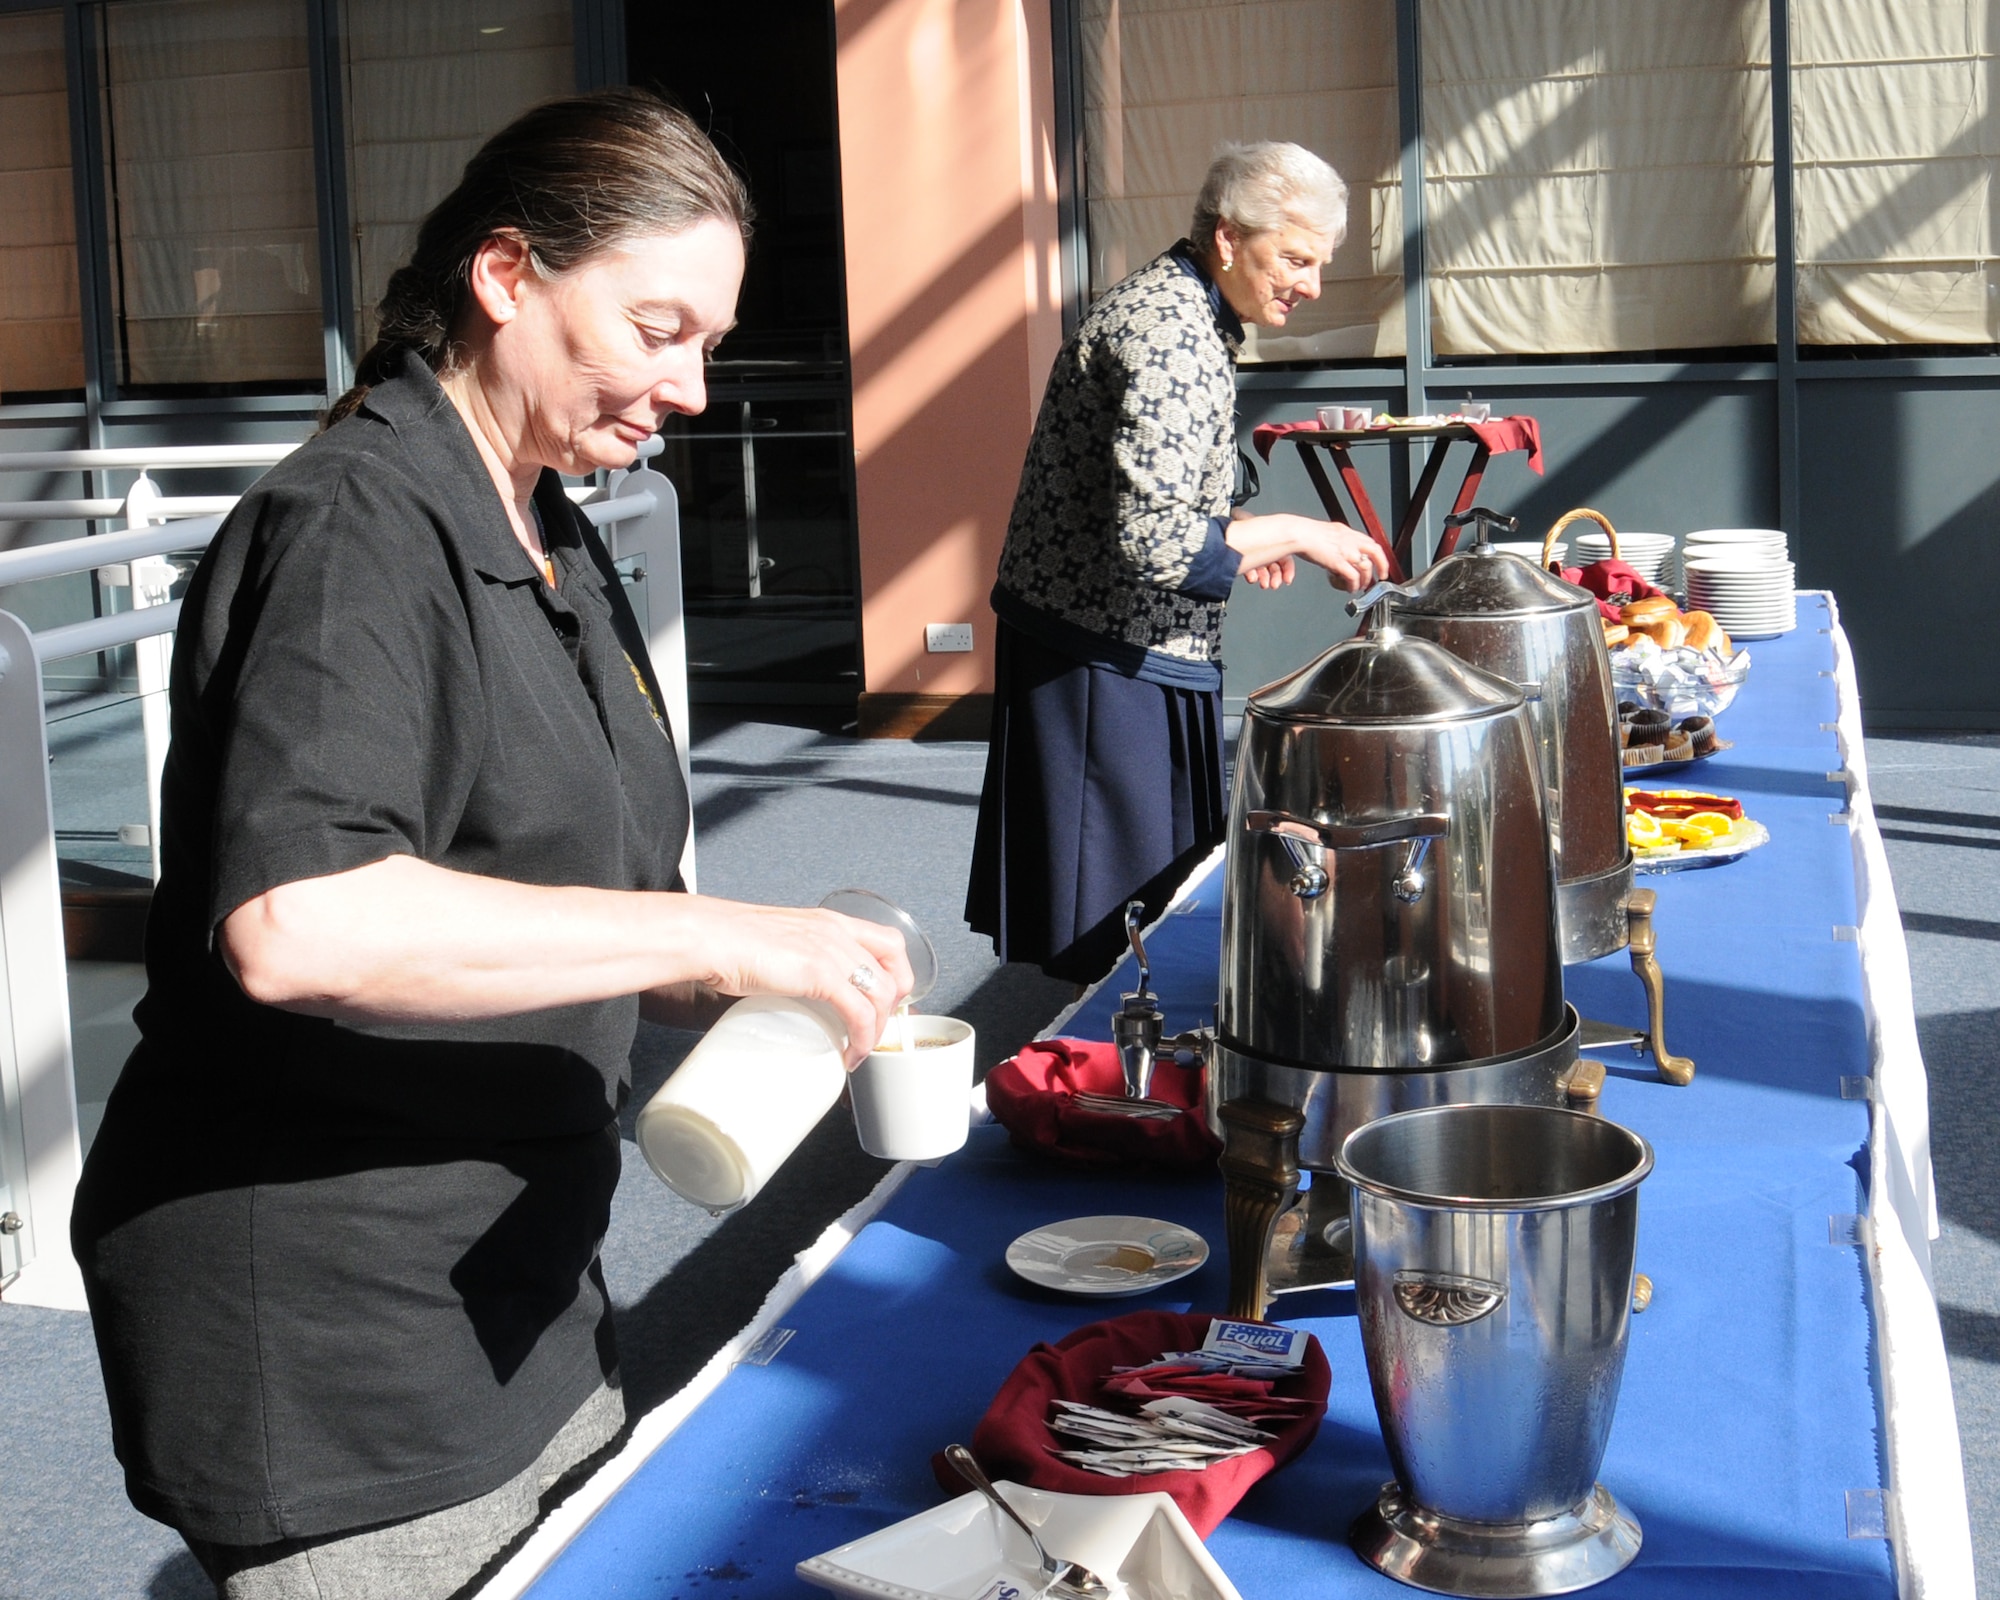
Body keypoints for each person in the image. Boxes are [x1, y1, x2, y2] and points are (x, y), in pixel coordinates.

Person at [70, 89, 914, 1600]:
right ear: (508, 275)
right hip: (340, 1342)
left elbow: (553, 900)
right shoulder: (352, 532)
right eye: (659, 328)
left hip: (517, 1291)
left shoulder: (548, 527)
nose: (697, 387)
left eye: (709, 343)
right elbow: (300, 925)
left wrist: (778, 976)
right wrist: (712, 937)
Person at [965, 141, 1386, 983]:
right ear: (1229, 239)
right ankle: (1100, 1088)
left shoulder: (1183, 306)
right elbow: (1152, 539)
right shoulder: (1170, 333)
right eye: (1295, 258)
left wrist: (1241, 528)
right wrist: (1299, 532)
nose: (1309, 284)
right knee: (1117, 911)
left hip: (1111, 642)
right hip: (1100, 655)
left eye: (1318, 264)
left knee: (1143, 892)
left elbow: (1141, 488)